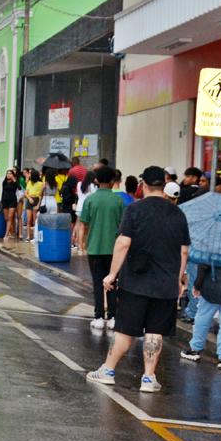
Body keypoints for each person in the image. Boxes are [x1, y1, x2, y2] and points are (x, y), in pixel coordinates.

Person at [87, 166, 190, 392]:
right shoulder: (178, 213)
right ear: (164, 186)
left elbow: (123, 243)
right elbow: (184, 251)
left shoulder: (135, 209)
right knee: (155, 332)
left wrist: (112, 274)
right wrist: (179, 279)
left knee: (125, 330)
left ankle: (108, 370)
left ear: (143, 185)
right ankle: (148, 378)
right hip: (165, 285)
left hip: (136, 281)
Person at [77, 167, 124, 331]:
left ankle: (98, 316)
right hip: (114, 249)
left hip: (95, 248)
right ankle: (113, 317)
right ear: (112, 181)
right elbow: (122, 226)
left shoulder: (90, 200)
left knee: (98, 283)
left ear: (96, 180)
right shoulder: (118, 200)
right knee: (113, 283)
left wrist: (81, 244)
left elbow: (83, 224)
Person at [0, 168, 19, 240]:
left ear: (13, 175)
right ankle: (11, 232)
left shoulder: (14, 182)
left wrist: (14, 179)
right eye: (7, 173)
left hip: (12, 201)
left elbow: (19, 188)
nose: (8, 175)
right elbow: (3, 192)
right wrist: (2, 201)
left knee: (10, 217)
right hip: (5, 201)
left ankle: (6, 234)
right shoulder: (4, 182)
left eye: (10, 173)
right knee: (6, 218)